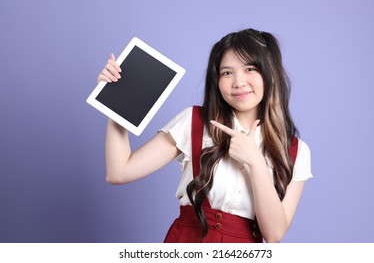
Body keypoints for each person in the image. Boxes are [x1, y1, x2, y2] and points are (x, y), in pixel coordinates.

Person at [97, 28, 312, 243]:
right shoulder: (194, 122)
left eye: (250, 69)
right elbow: (119, 172)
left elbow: (274, 235)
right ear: (216, 80)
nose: (238, 82)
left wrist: (256, 162)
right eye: (227, 72)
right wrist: (117, 100)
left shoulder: (296, 150)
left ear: (270, 74)